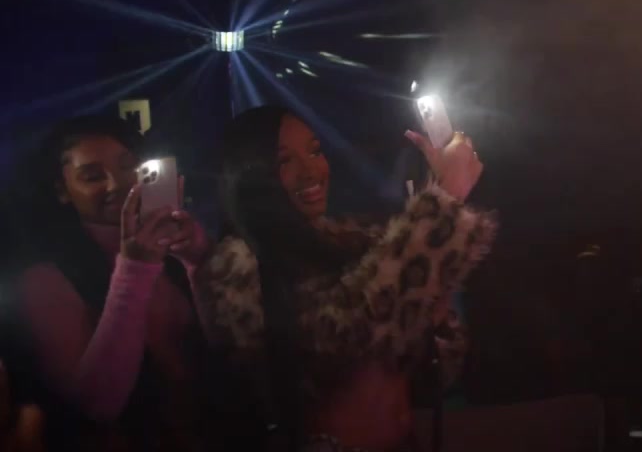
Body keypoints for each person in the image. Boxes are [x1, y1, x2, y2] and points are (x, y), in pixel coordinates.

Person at [187, 106, 495, 452]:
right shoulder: (237, 266)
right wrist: (446, 199)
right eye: (284, 161)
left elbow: (426, 367)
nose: (310, 170)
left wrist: (433, 308)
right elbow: (350, 333)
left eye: (315, 151)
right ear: (249, 175)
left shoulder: (351, 242)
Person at [3, 115, 226, 451]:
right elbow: (98, 406)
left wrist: (199, 260)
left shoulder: (172, 248)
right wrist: (135, 269)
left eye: (128, 167)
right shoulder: (44, 280)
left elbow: (232, 351)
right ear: (62, 191)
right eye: (93, 176)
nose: (117, 184)